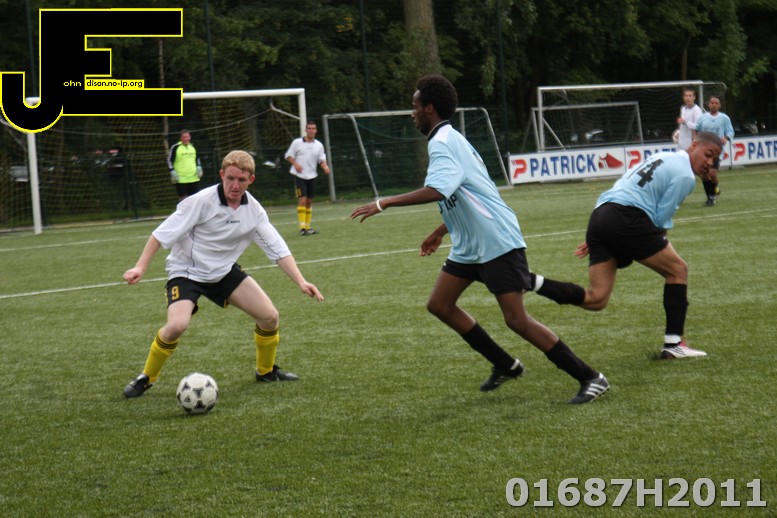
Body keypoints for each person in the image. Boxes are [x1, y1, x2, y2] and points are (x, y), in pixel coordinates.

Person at [351, 75, 608, 404]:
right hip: (470, 245)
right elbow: (468, 192)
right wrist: (440, 231)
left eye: (414, 106)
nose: (411, 113)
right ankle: (506, 364)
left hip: (495, 241)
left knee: (517, 320)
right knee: (440, 305)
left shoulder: (443, 142)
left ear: (429, 108)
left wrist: (384, 202)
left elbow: (438, 190)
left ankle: (590, 377)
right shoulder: (449, 138)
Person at [123, 150, 324, 398]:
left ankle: (266, 371)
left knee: (270, 317)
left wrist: (301, 281)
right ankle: (147, 377)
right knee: (176, 325)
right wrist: (140, 267)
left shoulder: (254, 211)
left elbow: (277, 248)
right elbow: (161, 234)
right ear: (221, 175)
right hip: (186, 272)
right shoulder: (201, 201)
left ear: (251, 180)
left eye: (241, 180)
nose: (235, 185)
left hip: (223, 272)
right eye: (230, 178)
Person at [529, 131, 724, 360]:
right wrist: (647, 239)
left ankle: (529, 281)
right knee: (678, 270)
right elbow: (661, 219)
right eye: (708, 154)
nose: (710, 162)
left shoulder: (661, 156)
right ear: (693, 145)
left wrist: (603, 232)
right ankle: (674, 343)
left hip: (602, 214)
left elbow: (624, 187)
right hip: (627, 217)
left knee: (596, 298)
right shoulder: (685, 176)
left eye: (715, 159)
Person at [285, 121, 331, 236]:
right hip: (299, 175)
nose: (311, 130)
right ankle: (302, 228)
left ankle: (308, 227)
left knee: (309, 201)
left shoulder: (319, 145)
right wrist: (296, 164)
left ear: (316, 130)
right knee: (302, 200)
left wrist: (325, 167)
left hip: (312, 175)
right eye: (309, 128)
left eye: (313, 128)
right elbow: (288, 156)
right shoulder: (297, 143)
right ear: (305, 130)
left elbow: (321, 159)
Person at [696, 96, 734, 206]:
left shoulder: (724, 118)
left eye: (716, 103)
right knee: (704, 175)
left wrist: (726, 138)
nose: (714, 105)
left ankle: (715, 187)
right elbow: (697, 129)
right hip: (704, 150)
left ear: (719, 105)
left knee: (712, 173)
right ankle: (711, 197)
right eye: (712, 103)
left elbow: (730, 132)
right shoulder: (703, 118)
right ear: (708, 104)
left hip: (717, 150)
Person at [167, 129, 203, 203]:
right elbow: (169, 160)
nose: (186, 139)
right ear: (181, 138)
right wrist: (172, 171)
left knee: (194, 199)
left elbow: (197, 158)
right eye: (184, 137)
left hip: (194, 178)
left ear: (190, 137)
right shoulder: (175, 147)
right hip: (180, 179)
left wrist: (199, 167)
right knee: (183, 200)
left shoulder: (192, 147)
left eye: (187, 137)